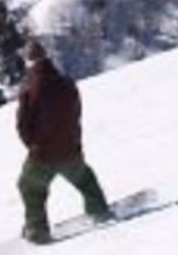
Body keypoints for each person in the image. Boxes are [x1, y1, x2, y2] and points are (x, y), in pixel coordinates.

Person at [14, 40, 112, 243]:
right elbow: (75, 114)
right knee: (85, 180)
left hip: (43, 155)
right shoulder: (68, 84)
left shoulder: (29, 90)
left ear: (29, 63)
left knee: (30, 187)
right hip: (70, 151)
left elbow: (23, 126)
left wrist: (35, 146)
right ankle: (100, 211)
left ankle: (37, 229)